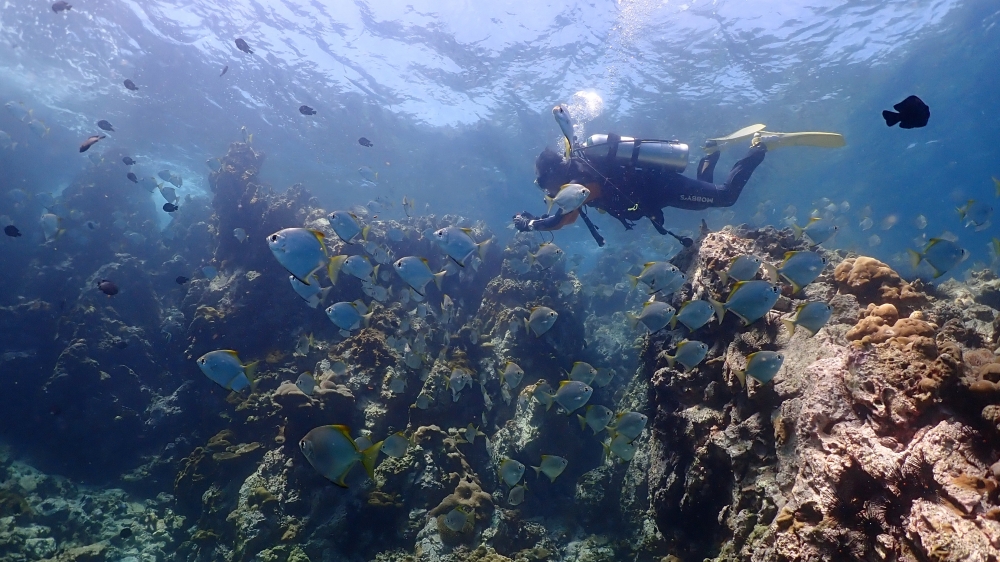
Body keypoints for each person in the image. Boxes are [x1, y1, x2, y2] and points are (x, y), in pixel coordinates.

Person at [513, 125, 842, 246]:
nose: (547, 190)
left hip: (662, 186)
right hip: (659, 192)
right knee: (702, 198)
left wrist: (532, 225)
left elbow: (568, 216)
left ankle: (760, 146)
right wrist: (538, 220)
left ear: (555, 173)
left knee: (725, 198)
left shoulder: (582, 178)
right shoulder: (581, 172)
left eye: (545, 183)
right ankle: (711, 154)